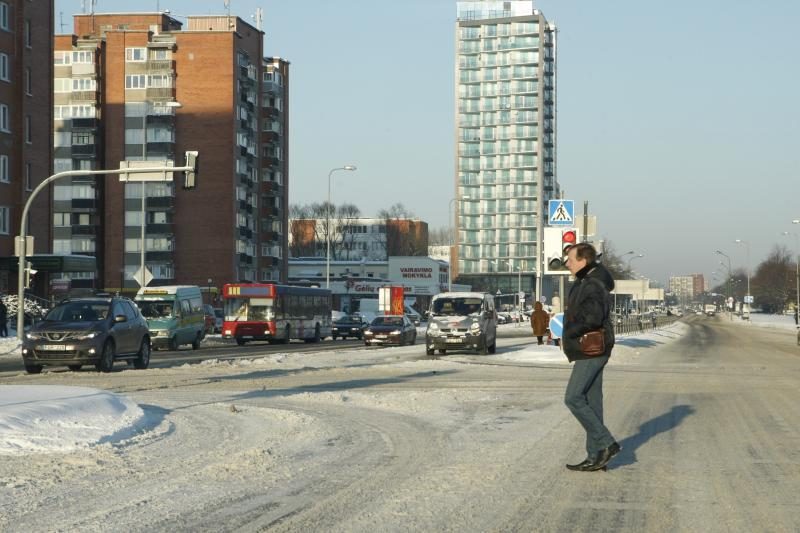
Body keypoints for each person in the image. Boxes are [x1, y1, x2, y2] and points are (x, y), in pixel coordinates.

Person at [562, 242, 620, 472]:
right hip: (593, 348)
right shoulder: (587, 280)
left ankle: (606, 443)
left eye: (571, 260)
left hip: (592, 349)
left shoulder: (592, 284)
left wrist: (570, 330)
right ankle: (596, 455)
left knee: (573, 397)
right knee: (592, 401)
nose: (567, 264)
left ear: (583, 261)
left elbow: (592, 318)